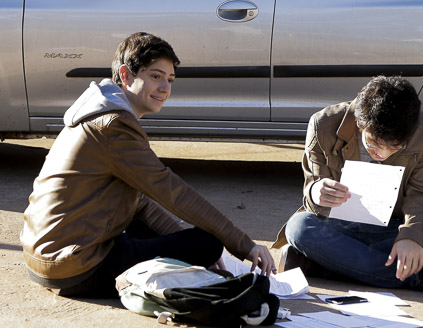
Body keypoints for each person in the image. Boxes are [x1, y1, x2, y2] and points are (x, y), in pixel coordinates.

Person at [20, 32, 275, 298]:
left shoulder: (98, 113)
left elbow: (139, 202)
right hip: (74, 268)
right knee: (208, 243)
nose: (165, 88)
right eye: (155, 76)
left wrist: (183, 246)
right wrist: (244, 246)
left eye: (170, 79)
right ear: (126, 75)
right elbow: (172, 191)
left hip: (48, 259)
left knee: (187, 242)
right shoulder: (114, 127)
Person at [272, 75, 423, 297]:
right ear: (360, 124)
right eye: (373, 143)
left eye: (396, 146)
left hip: (390, 228)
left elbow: (422, 192)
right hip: (338, 227)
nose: (382, 153)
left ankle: (321, 266)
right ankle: (420, 279)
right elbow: (313, 193)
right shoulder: (323, 124)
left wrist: (410, 236)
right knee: (299, 227)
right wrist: (316, 191)